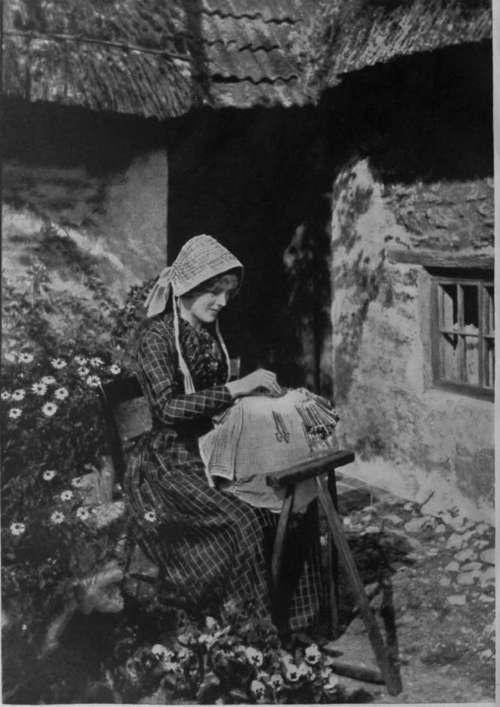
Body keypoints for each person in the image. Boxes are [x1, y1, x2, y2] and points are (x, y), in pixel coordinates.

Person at [125, 234, 325, 630]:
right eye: (213, 293)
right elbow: (167, 410)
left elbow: (219, 403)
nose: (222, 302)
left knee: (289, 499)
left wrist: (273, 406)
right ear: (187, 288)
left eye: (227, 294)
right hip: (170, 465)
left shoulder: (204, 334)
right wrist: (238, 387)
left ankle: (293, 617)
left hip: (211, 449)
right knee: (243, 519)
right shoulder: (156, 337)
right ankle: (247, 632)